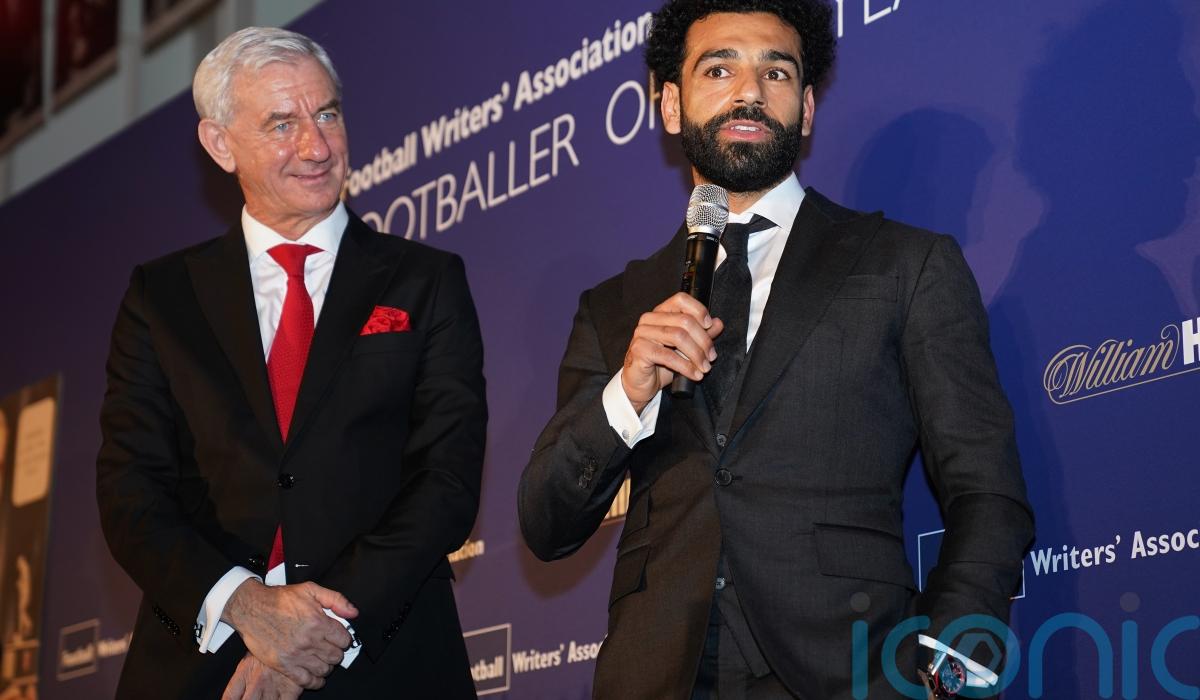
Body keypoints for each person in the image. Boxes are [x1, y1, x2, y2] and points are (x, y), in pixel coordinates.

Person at [518, 1, 1033, 698]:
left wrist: (949, 661)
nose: (750, 92)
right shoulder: (616, 305)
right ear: (669, 105)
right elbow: (547, 523)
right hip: (656, 674)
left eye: (777, 72)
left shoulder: (904, 265)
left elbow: (987, 488)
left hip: (852, 667)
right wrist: (629, 390)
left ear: (807, 109)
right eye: (718, 69)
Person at [96, 27, 485, 699]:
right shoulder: (162, 297)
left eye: (327, 114)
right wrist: (246, 606)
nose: (317, 146)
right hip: (202, 667)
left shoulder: (425, 281)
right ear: (220, 144)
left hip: (386, 658)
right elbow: (131, 491)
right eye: (282, 124)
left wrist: (314, 632)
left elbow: (445, 480)